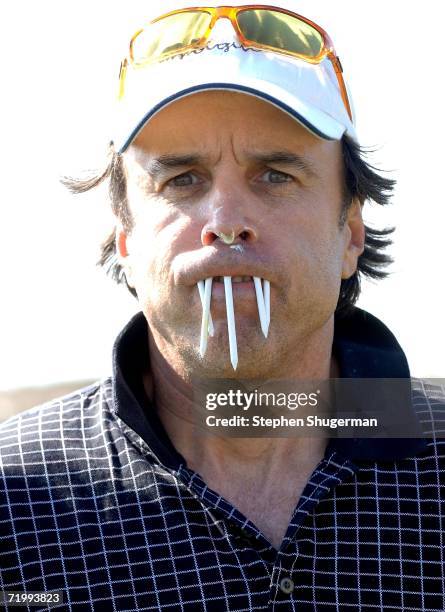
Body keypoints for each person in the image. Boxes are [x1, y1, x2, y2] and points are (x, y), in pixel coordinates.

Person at [1, 4, 444, 610]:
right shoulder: (13, 498)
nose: (227, 224)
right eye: (182, 179)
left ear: (351, 235)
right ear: (125, 241)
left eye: (275, 175)